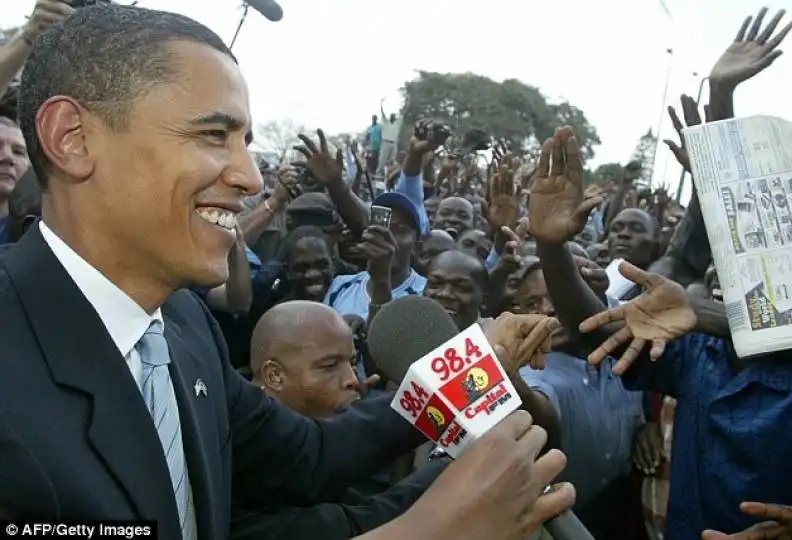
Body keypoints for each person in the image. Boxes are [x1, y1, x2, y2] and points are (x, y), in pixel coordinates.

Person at [0, 6, 574, 539]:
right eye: (212, 135)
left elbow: (309, 457)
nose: (250, 177)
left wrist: (475, 367)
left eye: (246, 141)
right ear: (72, 139)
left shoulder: (180, 323)